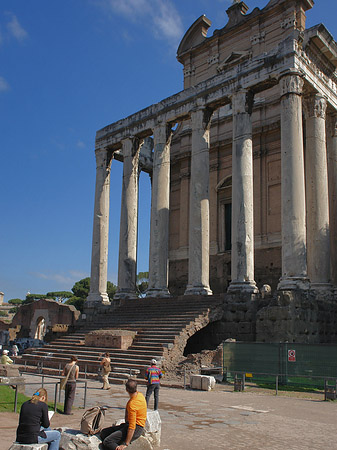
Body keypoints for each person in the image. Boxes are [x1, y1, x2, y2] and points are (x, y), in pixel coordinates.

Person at [100, 378, 147, 450]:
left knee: (107, 441)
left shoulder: (132, 405)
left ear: (127, 390)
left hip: (136, 428)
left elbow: (132, 427)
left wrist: (126, 443)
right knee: (104, 433)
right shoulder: (140, 395)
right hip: (129, 426)